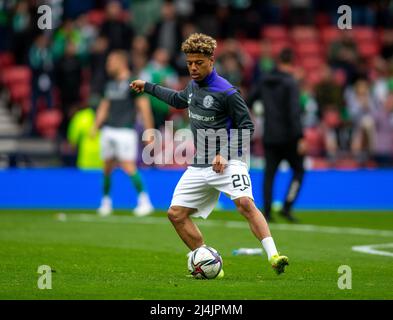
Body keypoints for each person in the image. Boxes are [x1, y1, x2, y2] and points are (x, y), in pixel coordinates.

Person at [131, 33, 289, 275]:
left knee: (245, 203)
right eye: (190, 63)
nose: (193, 68)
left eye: (199, 63)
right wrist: (148, 87)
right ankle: (207, 260)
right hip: (200, 166)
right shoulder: (193, 87)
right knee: (175, 214)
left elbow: (247, 126)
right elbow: (177, 99)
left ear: (211, 60)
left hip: (229, 161)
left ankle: (274, 256)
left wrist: (224, 153)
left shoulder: (227, 92)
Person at [92, 50, 154, 217]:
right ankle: (105, 202)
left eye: (110, 62)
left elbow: (144, 107)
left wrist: (149, 132)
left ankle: (144, 200)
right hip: (109, 129)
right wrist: (95, 125)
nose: (108, 66)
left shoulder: (133, 83)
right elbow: (105, 106)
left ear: (120, 62)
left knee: (128, 166)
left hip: (125, 131)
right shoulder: (110, 85)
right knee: (106, 167)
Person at [248, 48, 305, 223]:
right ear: (292, 63)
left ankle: (266, 211)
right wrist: (300, 136)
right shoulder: (290, 83)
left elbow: (249, 100)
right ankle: (287, 206)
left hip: (270, 135)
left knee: (269, 174)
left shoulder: (264, 80)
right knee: (299, 170)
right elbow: (293, 112)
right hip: (288, 137)